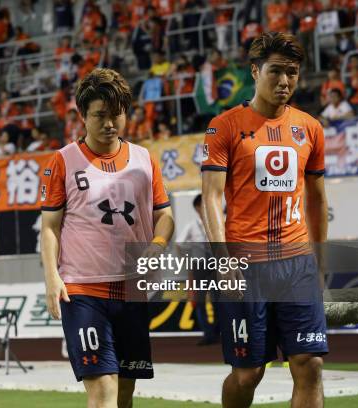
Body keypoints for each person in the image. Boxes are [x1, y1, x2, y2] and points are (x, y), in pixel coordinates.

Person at [201, 32, 328, 408]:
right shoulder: (223, 126)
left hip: (297, 264)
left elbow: (318, 202)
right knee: (249, 372)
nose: (285, 81)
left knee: (309, 364)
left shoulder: (310, 128)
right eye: (275, 71)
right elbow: (210, 197)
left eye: (292, 72)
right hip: (245, 266)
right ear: (255, 72)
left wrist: (319, 262)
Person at [41, 68, 174, 408]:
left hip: (133, 289)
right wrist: (51, 277)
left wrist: (157, 246)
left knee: (125, 395)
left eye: (116, 114)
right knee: (103, 394)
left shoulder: (145, 160)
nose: (110, 123)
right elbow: (50, 226)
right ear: (83, 115)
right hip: (84, 291)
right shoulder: (63, 161)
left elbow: (164, 216)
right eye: (100, 115)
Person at [175, 194, 219, 346]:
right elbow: (179, 244)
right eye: (200, 206)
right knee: (199, 301)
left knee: (218, 300)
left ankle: (219, 331)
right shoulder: (192, 225)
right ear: (197, 208)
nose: (203, 209)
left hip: (217, 265)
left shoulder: (219, 222)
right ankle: (208, 333)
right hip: (199, 266)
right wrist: (188, 260)